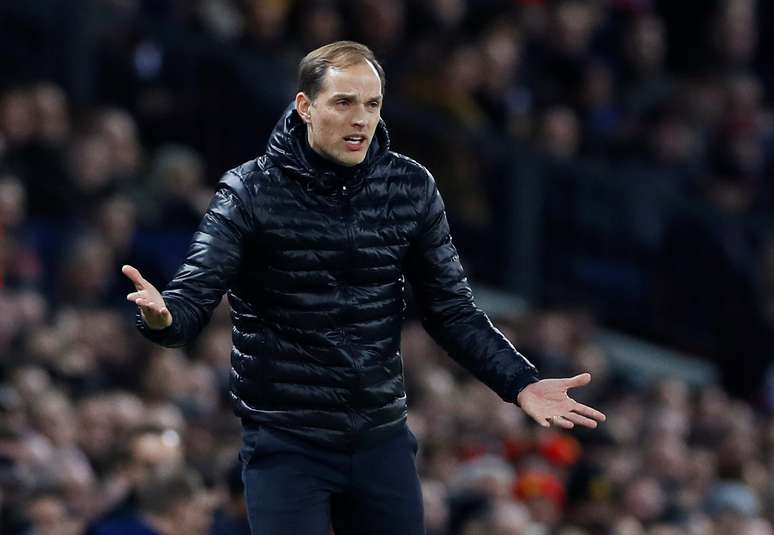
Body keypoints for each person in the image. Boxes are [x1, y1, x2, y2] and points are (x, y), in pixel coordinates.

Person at [122, 41, 606, 535]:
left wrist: (520, 381)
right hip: (287, 444)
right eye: (344, 102)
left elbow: (452, 311)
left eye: (372, 104)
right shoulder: (249, 191)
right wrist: (163, 317)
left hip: (380, 439)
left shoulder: (410, 187)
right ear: (305, 106)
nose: (361, 118)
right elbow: (192, 294)